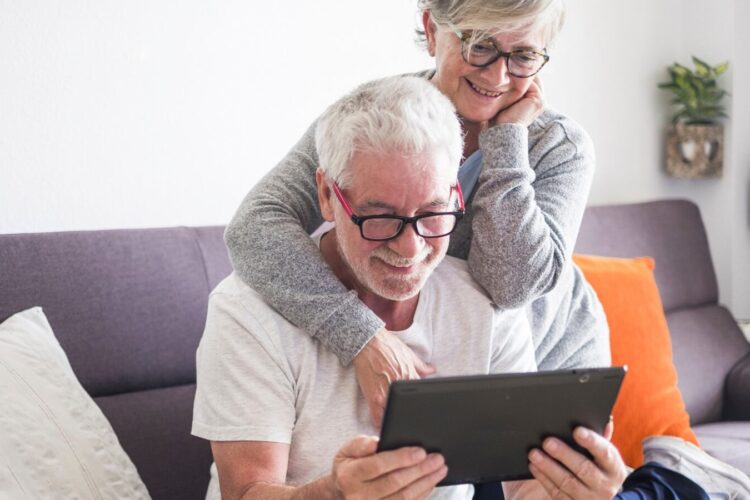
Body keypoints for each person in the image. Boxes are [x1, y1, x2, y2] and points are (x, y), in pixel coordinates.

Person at [193, 76, 631, 500]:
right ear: (327, 195)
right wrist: (332, 494)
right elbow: (245, 492)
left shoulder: (484, 305)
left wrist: (572, 491)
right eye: (380, 216)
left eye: (433, 212)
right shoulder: (246, 312)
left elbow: (523, 487)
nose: (410, 247)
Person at [225, 0, 609, 428]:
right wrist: (362, 335)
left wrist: (506, 139)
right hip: (435, 373)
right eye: (479, 45)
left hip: (546, 372)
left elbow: (510, 286)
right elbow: (254, 225)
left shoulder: (559, 146)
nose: (497, 76)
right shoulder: (373, 118)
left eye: (522, 56)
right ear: (431, 30)